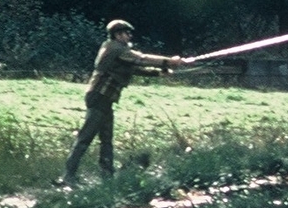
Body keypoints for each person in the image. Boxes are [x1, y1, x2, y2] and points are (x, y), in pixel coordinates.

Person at [61, 19, 191, 184]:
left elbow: (134, 68)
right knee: (85, 138)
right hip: (99, 96)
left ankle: (107, 176)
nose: (130, 36)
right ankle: (68, 176)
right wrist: (169, 61)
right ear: (118, 35)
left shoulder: (118, 50)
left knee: (106, 140)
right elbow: (141, 59)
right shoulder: (115, 48)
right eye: (127, 33)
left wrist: (158, 73)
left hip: (105, 98)